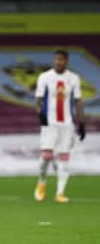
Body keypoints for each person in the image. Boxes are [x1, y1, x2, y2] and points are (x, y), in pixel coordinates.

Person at [34, 49, 86, 203]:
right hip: (49, 122)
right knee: (46, 156)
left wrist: (81, 123)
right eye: (56, 59)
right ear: (53, 60)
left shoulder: (73, 78)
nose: (58, 62)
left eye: (61, 59)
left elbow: (78, 101)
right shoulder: (45, 77)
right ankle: (42, 182)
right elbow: (38, 99)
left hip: (67, 124)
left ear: (66, 61)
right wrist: (40, 115)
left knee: (64, 157)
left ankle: (60, 193)